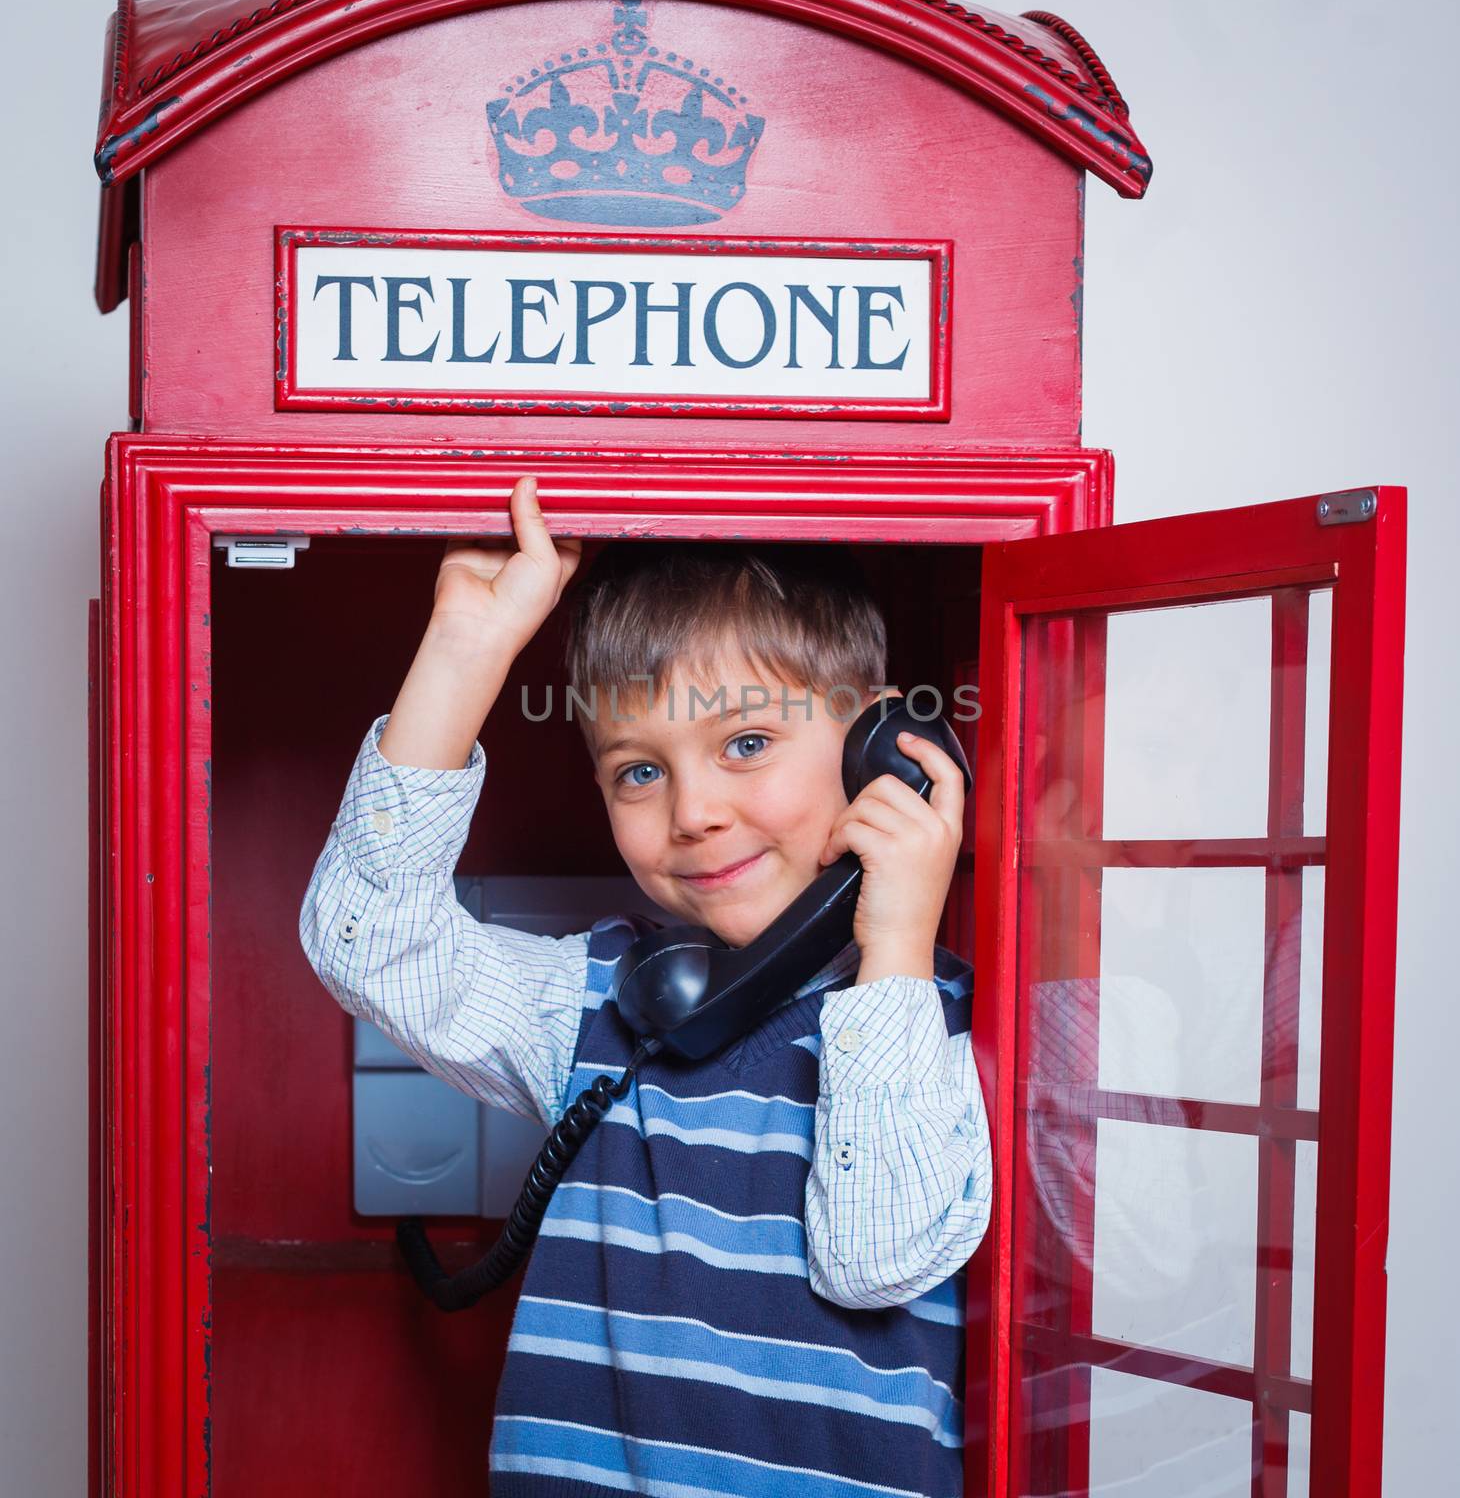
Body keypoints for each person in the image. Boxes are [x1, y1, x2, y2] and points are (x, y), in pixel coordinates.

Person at [299, 474, 993, 1498]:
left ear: (879, 750)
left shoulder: (927, 1027)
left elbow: (875, 1259)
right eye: (638, 770)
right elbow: (369, 945)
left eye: (746, 743)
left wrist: (893, 940)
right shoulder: (604, 1002)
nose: (693, 810)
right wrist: (467, 651)